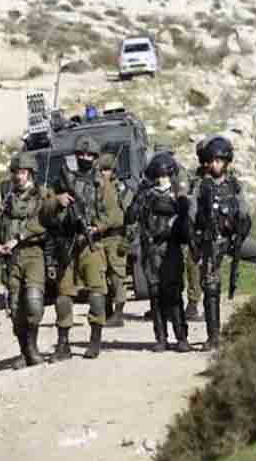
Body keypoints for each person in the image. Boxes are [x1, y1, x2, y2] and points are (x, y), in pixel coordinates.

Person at [188, 135, 256, 351]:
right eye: (213, 161)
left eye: (220, 161)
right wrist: (197, 242)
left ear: (227, 162)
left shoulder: (234, 184)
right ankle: (213, 337)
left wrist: (241, 230)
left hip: (232, 240)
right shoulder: (201, 186)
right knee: (211, 285)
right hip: (211, 242)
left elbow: (245, 212)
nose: (216, 164)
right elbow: (191, 217)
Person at [42, 136, 124, 360]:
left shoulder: (102, 184)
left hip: (91, 244)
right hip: (66, 243)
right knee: (63, 295)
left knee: (97, 293)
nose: (85, 158)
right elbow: (44, 212)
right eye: (81, 154)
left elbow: (116, 215)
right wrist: (57, 200)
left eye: (89, 155)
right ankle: (63, 344)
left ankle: (95, 340)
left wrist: (98, 227)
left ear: (95, 157)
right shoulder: (62, 180)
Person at [0, 154, 50, 368]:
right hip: (11, 258)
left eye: (23, 172)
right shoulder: (8, 198)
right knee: (16, 309)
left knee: (33, 303)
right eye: (16, 173)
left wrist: (18, 238)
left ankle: (32, 348)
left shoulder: (42, 195)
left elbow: (44, 223)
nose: (19, 177)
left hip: (33, 254)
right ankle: (24, 352)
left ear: (30, 174)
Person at [127, 152, 190, 352]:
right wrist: (139, 195)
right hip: (152, 249)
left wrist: (178, 199)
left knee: (174, 292)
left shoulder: (178, 194)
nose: (163, 179)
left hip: (171, 248)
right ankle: (161, 338)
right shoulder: (146, 194)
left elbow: (187, 217)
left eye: (166, 175)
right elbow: (130, 217)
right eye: (159, 175)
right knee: (155, 294)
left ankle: (181, 337)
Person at [97, 153, 131, 328]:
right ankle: (107, 311)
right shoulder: (96, 188)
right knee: (101, 275)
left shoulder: (121, 189)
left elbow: (128, 216)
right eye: (102, 170)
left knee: (118, 276)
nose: (104, 173)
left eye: (107, 170)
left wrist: (127, 239)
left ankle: (118, 314)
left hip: (116, 236)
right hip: (99, 237)